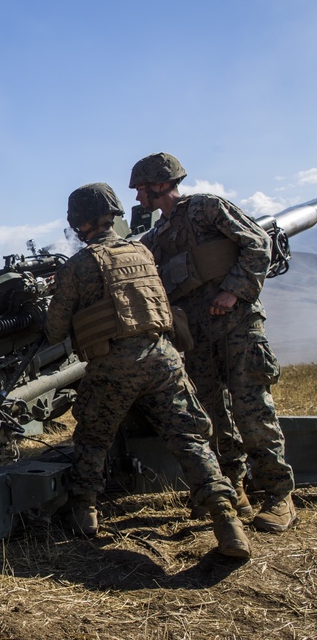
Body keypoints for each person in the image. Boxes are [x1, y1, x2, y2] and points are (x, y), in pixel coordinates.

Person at [45, 182, 251, 559]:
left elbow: (56, 328)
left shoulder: (78, 265)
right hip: (164, 359)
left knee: (92, 440)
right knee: (189, 439)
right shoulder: (142, 249)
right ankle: (226, 519)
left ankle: (85, 513)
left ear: (78, 222)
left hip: (114, 367)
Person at [130, 152, 295, 533]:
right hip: (197, 337)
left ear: (160, 184)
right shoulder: (155, 238)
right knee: (211, 416)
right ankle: (232, 489)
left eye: (141, 189)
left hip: (237, 326)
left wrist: (233, 292)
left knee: (252, 411)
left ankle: (278, 496)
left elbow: (257, 244)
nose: (139, 198)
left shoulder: (207, 209)